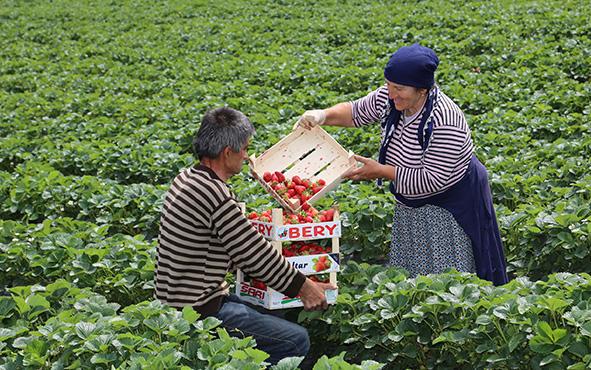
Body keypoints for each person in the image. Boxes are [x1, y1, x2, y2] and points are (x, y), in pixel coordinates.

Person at [296, 43, 508, 285]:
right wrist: (322, 115)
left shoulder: (445, 119)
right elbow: (355, 112)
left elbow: (432, 179)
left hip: (450, 203)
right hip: (410, 199)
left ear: (422, 90)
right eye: (388, 85)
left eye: (399, 88)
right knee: (413, 271)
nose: (391, 93)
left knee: (446, 276)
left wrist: (380, 171)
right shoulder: (390, 98)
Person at [155, 107, 336, 365]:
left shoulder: (186, 178)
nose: (246, 156)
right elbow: (253, 254)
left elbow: (233, 244)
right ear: (227, 152)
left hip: (179, 300)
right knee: (297, 340)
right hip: (199, 310)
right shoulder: (213, 194)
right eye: (244, 149)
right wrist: (305, 288)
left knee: (273, 313)